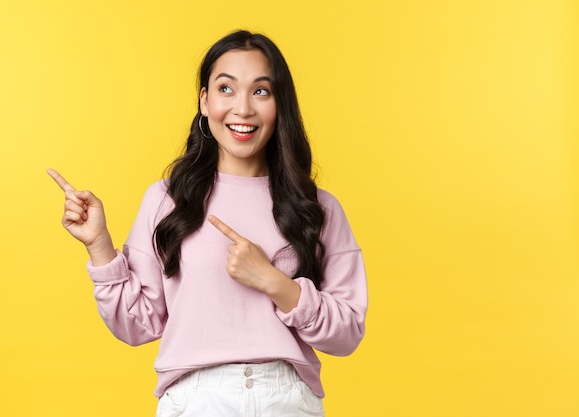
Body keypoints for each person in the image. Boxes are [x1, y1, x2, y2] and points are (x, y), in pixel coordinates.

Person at [48, 30, 367, 417]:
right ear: (204, 101)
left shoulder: (318, 208)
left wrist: (274, 282)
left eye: (261, 91)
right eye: (226, 89)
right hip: (196, 399)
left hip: (286, 399)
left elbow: (347, 333)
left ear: (280, 104)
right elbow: (137, 326)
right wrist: (99, 245)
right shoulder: (167, 200)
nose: (243, 109)